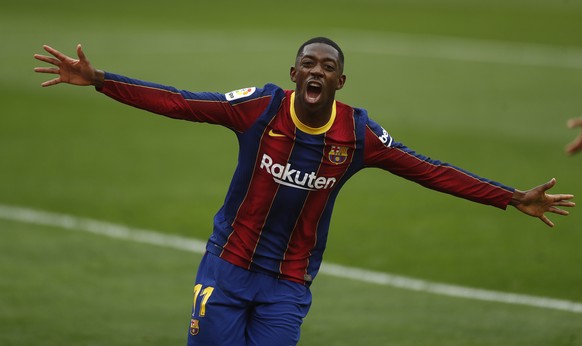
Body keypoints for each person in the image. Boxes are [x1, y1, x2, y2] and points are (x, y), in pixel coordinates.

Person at [34, 37, 575, 346]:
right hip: (226, 267)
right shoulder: (260, 108)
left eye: (330, 67)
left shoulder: (358, 134)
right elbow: (180, 102)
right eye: (310, 64)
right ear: (294, 73)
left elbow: (427, 169)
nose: (318, 71)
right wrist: (102, 79)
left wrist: (509, 196)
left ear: (341, 82)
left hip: (287, 286)